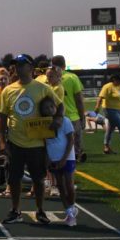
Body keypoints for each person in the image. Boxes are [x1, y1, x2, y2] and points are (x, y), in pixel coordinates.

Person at [0, 54, 63, 224]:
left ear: (30, 67)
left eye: (21, 65)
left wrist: (57, 119)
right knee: (14, 179)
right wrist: (2, 142)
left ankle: (40, 210)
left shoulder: (42, 88)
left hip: (37, 142)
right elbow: (2, 117)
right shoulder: (8, 90)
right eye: (16, 65)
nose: (17, 68)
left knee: (38, 179)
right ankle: (15, 210)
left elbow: (59, 105)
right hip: (16, 142)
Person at [39, 96, 78, 226]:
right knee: (60, 186)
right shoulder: (44, 123)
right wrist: (48, 158)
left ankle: (71, 206)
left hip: (67, 157)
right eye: (46, 108)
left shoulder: (65, 120)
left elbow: (71, 140)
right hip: (53, 158)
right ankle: (69, 212)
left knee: (69, 186)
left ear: (56, 108)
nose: (49, 110)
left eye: (51, 107)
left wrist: (64, 158)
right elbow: (44, 142)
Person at [50, 56, 85, 162]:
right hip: (72, 117)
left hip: (55, 117)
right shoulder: (72, 77)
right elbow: (79, 100)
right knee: (74, 145)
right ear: (64, 65)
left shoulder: (47, 77)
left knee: (58, 144)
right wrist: (82, 116)